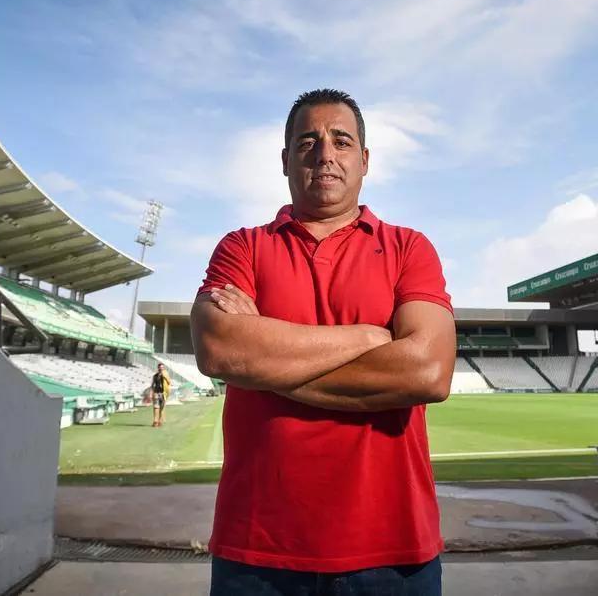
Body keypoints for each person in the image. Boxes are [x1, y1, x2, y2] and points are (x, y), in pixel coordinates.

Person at [191, 89, 456, 595]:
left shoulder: (409, 247)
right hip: (258, 548)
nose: (325, 153)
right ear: (286, 158)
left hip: (394, 549)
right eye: (308, 141)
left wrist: (267, 365)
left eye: (341, 140)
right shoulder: (242, 245)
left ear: (364, 160)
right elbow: (221, 351)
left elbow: (427, 372)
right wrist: (370, 338)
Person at [150, 363, 170, 427]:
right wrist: (151, 393)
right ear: (158, 368)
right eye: (160, 367)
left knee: (161, 408)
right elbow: (152, 385)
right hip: (156, 393)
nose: (161, 368)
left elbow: (169, 382)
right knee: (156, 407)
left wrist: (164, 376)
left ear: (163, 368)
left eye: (162, 367)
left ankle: (160, 421)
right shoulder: (155, 376)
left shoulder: (166, 375)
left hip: (163, 393)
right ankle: (155, 421)